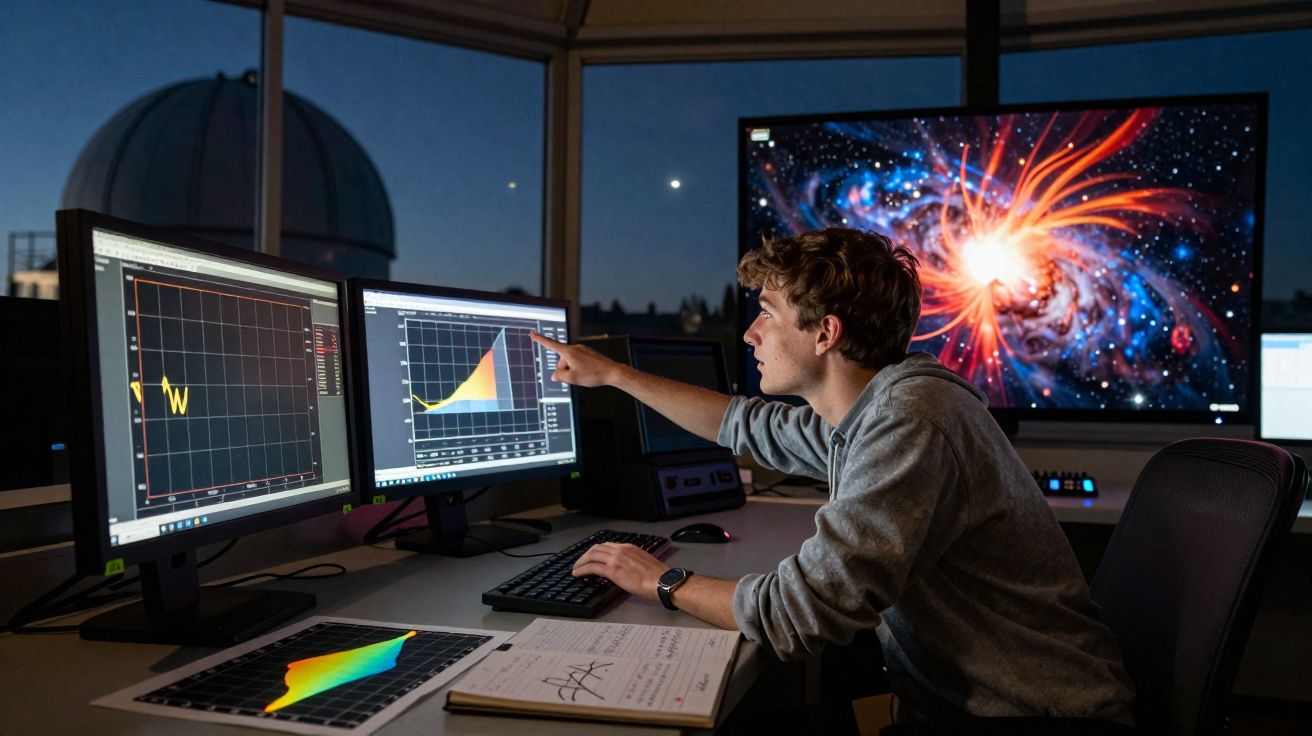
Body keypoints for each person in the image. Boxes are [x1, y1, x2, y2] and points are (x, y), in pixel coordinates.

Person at [529, 227, 1135, 727]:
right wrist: (614, 375)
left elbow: (799, 614)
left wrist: (663, 581)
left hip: (1035, 714)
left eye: (767, 314)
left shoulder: (911, 422)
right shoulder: (880, 410)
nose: (750, 334)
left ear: (825, 333)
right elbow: (744, 424)